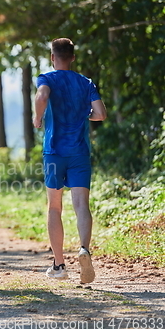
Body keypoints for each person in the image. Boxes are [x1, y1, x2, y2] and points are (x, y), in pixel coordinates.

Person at [33, 38, 107, 284]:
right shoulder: (85, 82)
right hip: (79, 152)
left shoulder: (47, 78)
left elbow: (42, 96)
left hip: (54, 152)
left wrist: (37, 117)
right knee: (81, 206)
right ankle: (84, 249)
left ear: (52, 57)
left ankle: (59, 265)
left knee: (55, 207)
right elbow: (100, 113)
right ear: (73, 57)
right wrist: (82, 114)